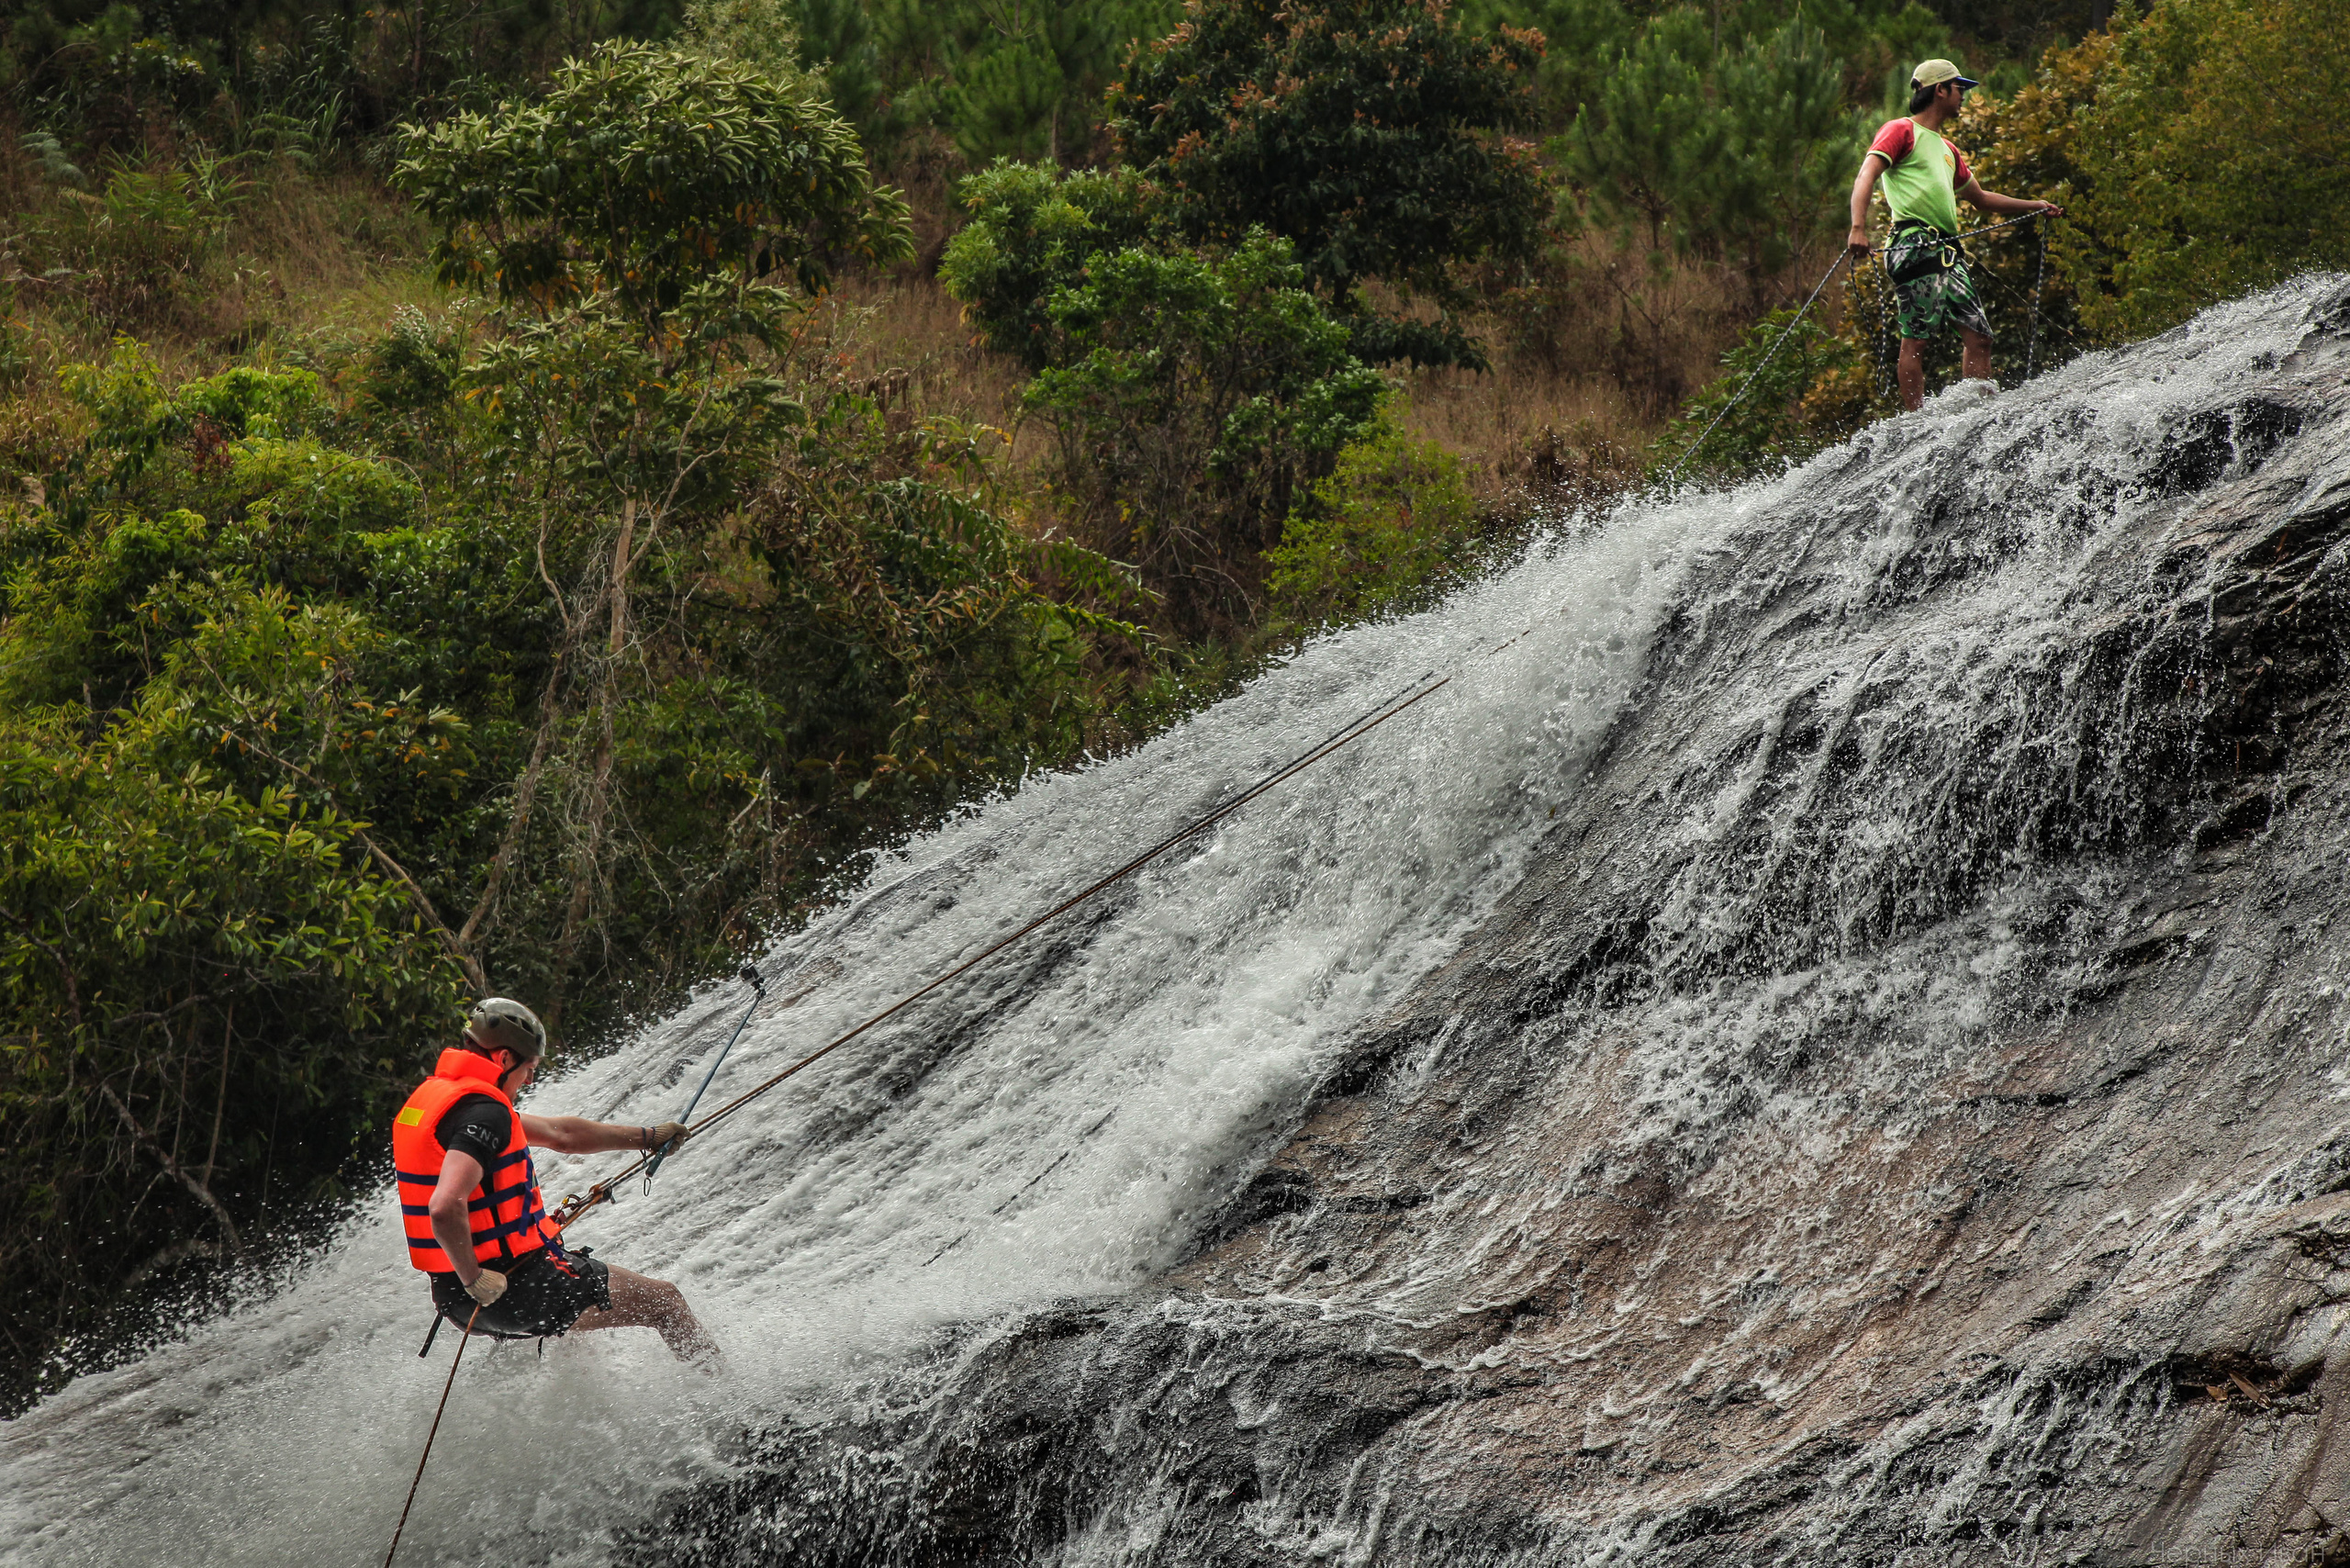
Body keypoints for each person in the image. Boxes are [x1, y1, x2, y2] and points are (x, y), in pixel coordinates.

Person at [393, 997, 716, 1361]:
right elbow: (444, 1208)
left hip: (455, 1302)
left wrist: (648, 1137)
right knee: (666, 1302)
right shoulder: (486, 1115)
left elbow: (561, 1134)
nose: (530, 1078)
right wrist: (475, 1279)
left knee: (576, 1329)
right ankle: (732, 1402)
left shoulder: (435, 1102)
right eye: (528, 1067)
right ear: (503, 1059)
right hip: (511, 1290)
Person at [1848, 58, 2063, 411]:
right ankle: (1916, 423)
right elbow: (1866, 174)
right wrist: (1858, 227)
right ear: (1940, 90)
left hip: (1946, 252)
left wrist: (2033, 204)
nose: (1963, 94)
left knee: (1979, 337)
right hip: (1915, 244)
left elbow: (1980, 199)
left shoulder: (1948, 150)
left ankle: (1978, 416)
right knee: (1917, 340)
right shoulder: (1900, 130)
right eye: (1959, 87)